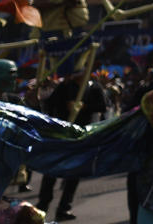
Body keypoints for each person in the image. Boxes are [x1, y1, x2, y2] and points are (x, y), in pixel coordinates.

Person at [36, 66, 108, 220]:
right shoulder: (64, 86)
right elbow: (50, 104)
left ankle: (64, 208)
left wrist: (84, 106)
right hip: (61, 134)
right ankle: (42, 206)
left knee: (74, 173)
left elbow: (102, 105)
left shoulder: (93, 87)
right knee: (52, 171)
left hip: (80, 135)